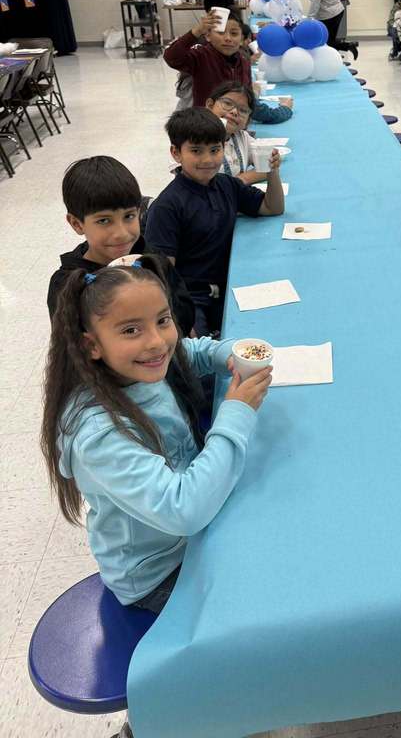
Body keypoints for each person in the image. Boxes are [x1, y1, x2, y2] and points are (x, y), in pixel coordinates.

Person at [41, 260, 271, 738]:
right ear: (91, 345)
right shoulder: (97, 433)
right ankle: (167, 716)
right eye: (131, 329)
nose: (156, 342)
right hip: (155, 572)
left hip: (185, 538)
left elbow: (189, 351)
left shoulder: (142, 367)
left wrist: (230, 353)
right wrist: (235, 414)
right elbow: (183, 510)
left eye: (162, 320)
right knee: (258, 609)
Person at [145, 108, 285, 336]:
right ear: (176, 153)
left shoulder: (226, 185)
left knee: (269, 325)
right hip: (193, 298)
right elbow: (162, 276)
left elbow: (272, 207)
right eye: (196, 151)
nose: (208, 160)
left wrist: (272, 173)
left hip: (228, 284)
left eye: (214, 149)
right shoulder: (167, 207)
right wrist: (182, 320)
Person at [46, 156, 194, 337]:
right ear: (77, 224)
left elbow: (184, 312)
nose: (121, 233)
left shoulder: (151, 257)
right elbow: (69, 344)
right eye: (104, 220)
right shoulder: (67, 286)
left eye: (129, 216)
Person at [164, 10, 251, 108]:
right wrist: (197, 31)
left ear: (241, 39)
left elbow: (248, 95)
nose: (228, 38)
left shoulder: (244, 61)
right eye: (221, 33)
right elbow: (171, 57)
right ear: (208, 36)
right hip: (206, 116)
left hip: (235, 116)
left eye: (234, 34)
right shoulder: (201, 56)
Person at [205, 82, 288, 184]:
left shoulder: (242, 137)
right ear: (210, 105)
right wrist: (236, 183)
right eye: (227, 103)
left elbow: (268, 167)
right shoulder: (195, 137)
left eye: (243, 110)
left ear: (247, 122)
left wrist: (273, 161)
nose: (234, 112)